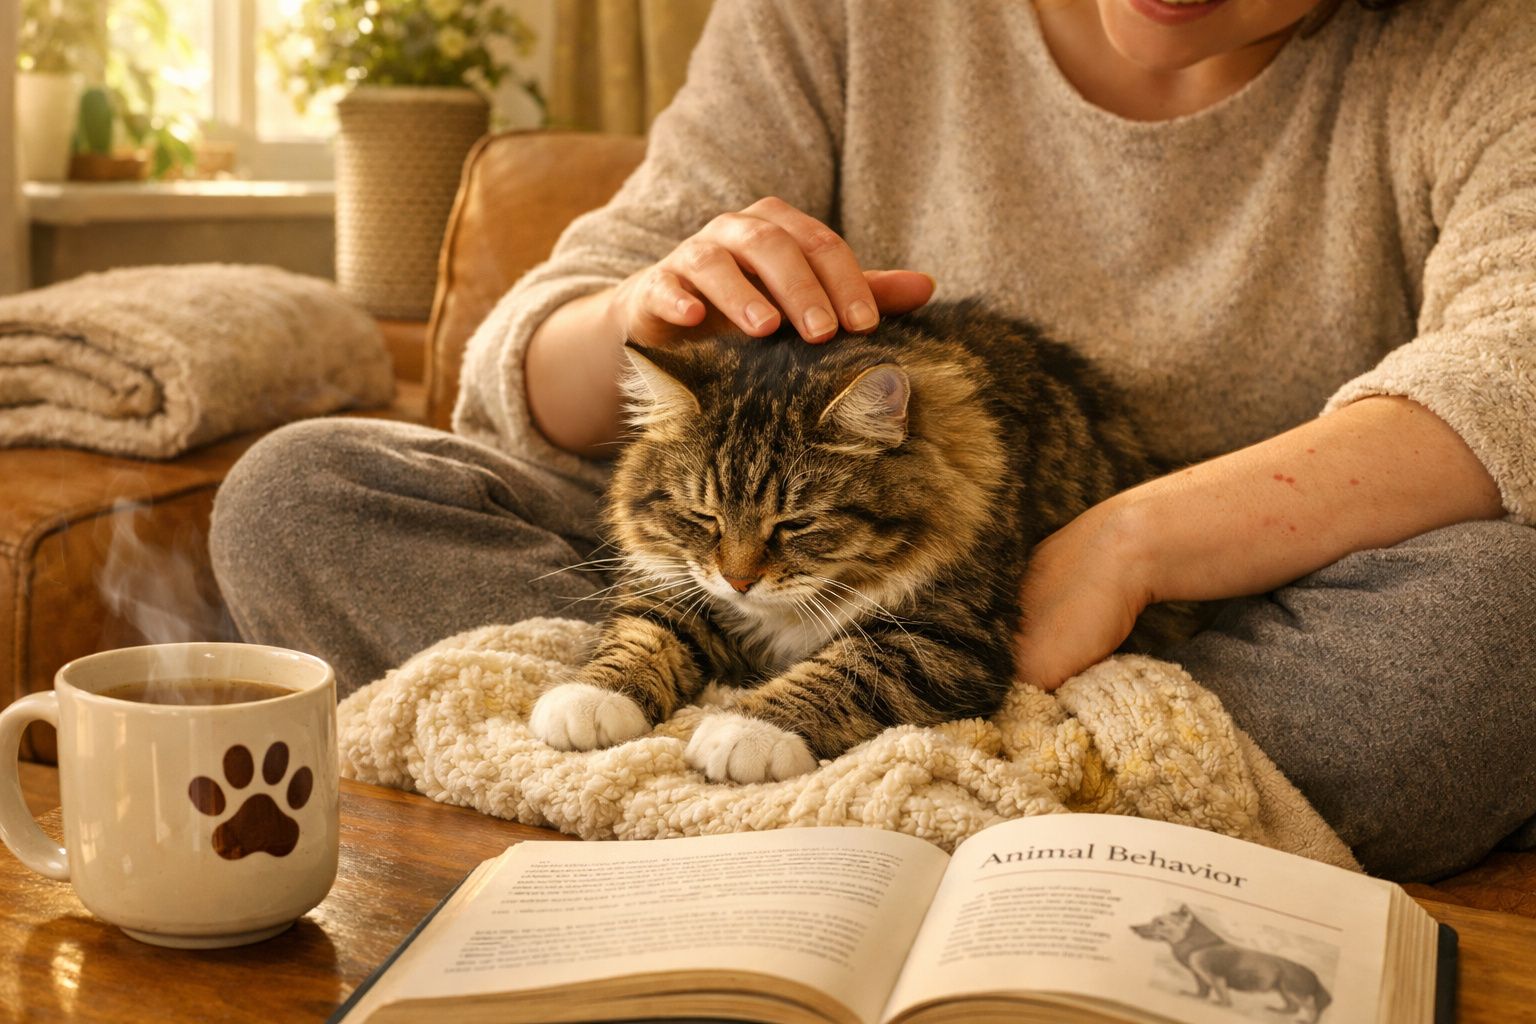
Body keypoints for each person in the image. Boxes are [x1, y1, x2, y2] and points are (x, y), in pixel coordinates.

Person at [211, 0, 1536, 881]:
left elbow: (1515, 363)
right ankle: (942, 779)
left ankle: (739, 777)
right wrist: (650, 298)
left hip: (1215, 627)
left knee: (1494, 639)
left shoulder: (1478, 43)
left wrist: (1130, 544)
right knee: (300, 491)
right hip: (788, 572)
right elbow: (538, 359)